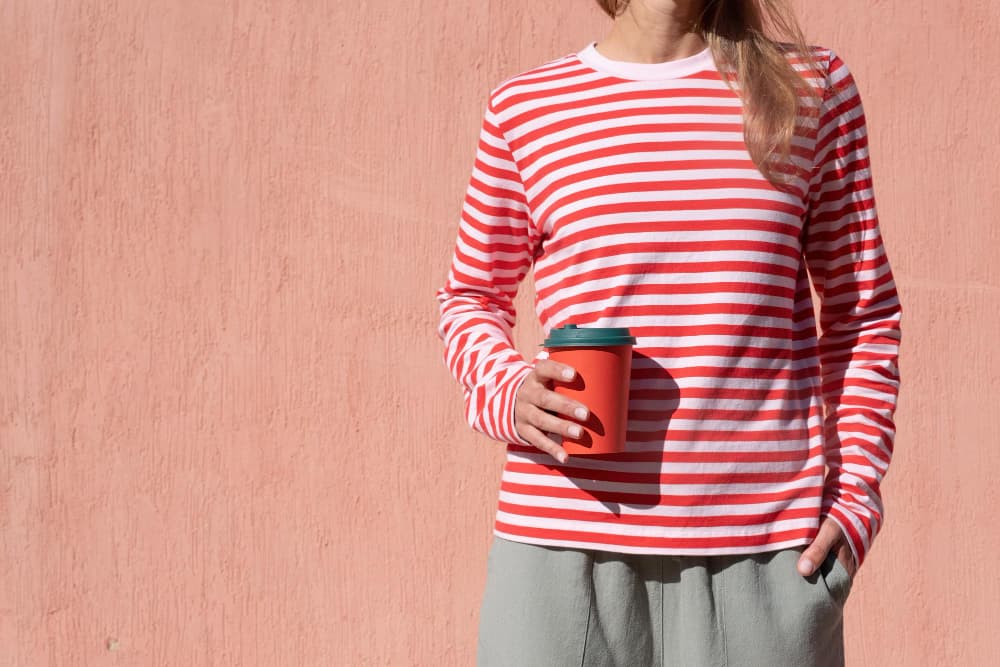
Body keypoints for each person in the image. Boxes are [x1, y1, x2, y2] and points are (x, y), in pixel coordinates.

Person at [435, 0, 901, 664]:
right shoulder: (528, 109)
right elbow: (469, 297)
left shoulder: (812, 92)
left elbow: (862, 315)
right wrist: (510, 392)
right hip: (560, 556)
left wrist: (855, 496)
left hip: (763, 562)